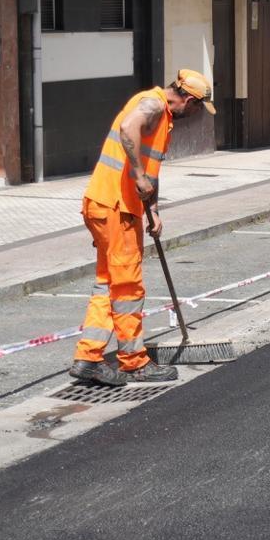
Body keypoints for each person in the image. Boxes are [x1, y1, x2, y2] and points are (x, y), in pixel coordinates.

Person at [68, 69, 216, 386]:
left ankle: (89, 357)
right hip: (115, 207)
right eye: (198, 108)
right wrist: (137, 176)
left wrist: (153, 209)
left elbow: (151, 170)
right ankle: (134, 362)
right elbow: (127, 128)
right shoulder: (151, 105)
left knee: (107, 282)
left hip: (108, 204)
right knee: (127, 288)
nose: (196, 115)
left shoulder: (163, 117)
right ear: (189, 99)